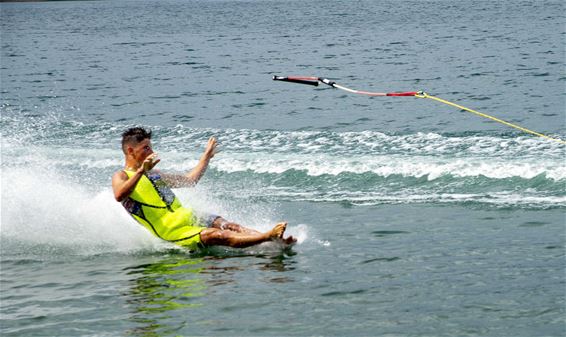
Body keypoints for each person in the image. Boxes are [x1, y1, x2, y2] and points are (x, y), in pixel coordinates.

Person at [112, 127, 294, 251]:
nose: (151, 152)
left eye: (150, 147)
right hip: (171, 231)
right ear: (130, 151)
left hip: (187, 215)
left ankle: (274, 242)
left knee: (230, 225)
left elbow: (190, 180)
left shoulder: (154, 174)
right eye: (145, 148)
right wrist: (141, 172)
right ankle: (266, 237)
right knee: (219, 235)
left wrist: (206, 157)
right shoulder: (122, 176)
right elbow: (120, 195)